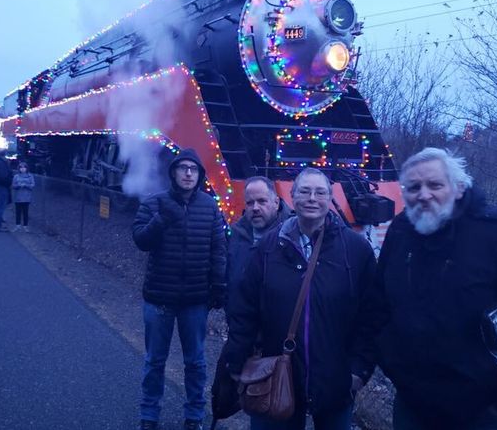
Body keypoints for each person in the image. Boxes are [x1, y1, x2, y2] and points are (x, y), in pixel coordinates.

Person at [369, 147, 497, 430]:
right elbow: (379, 303)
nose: (423, 194)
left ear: (459, 187)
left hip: (488, 412)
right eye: (413, 187)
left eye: (434, 184)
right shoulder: (401, 231)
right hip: (415, 406)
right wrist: (393, 365)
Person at [224, 168, 377, 430]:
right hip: (275, 374)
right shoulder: (269, 247)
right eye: (304, 191)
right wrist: (238, 357)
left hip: (335, 377)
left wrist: (359, 370)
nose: (312, 198)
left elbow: (371, 313)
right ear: (292, 197)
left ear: (330, 198)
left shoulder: (356, 249)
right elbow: (245, 308)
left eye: (320, 192)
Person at [132, 148, 227, 430]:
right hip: (159, 297)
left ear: (199, 175)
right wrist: (162, 219)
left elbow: (218, 248)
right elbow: (140, 240)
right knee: (154, 362)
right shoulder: (154, 203)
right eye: (183, 168)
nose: (188, 173)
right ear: (173, 172)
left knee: (196, 363)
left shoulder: (210, 206)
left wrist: (219, 284)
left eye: (193, 169)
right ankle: (149, 416)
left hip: (195, 299)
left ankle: (194, 416)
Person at [226, 176, 292, 317]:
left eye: (262, 201)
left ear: (276, 202)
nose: (255, 208)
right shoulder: (236, 235)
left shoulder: (294, 235)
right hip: (241, 324)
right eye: (250, 203)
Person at [11, 162, 35, 232]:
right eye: (21, 167)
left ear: (27, 168)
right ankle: (17, 225)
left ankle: (25, 226)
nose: (23, 169)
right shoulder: (16, 176)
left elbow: (32, 185)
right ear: (19, 168)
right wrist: (18, 186)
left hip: (26, 197)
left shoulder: (30, 176)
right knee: (18, 212)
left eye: (24, 167)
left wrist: (26, 185)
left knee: (25, 212)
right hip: (18, 197)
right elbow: (13, 185)